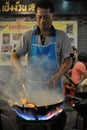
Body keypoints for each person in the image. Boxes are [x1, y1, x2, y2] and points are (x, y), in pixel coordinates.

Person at [11, 0, 73, 129]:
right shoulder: (28, 36)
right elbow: (15, 55)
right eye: (39, 17)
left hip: (53, 90)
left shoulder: (62, 37)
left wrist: (58, 76)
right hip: (32, 90)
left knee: (56, 122)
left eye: (46, 17)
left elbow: (68, 59)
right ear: (35, 16)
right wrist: (20, 70)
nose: (42, 21)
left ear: (53, 17)